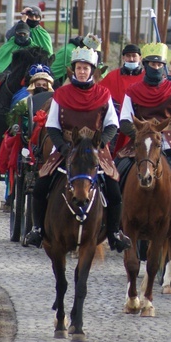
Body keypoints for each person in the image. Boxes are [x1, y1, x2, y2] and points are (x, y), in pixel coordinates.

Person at [24, 46, 131, 253]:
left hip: (96, 150)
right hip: (66, 148)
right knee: (41, 185)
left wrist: (100, 143)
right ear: (74, 70)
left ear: (92, 71)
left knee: (114, 189)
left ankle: (114, 233)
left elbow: (112, 124)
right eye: (79, 68)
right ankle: (37, 229)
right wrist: (63, 148)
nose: (82, 71)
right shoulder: (61, 94)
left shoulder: (103, 94)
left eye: (86, 68)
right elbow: (52, 125)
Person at [116, 42, 171, 241]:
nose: (155, 68)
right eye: (152, 64)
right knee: (116, 172)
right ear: (145, 65)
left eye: (159, 64)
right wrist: (140, 135)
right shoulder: (133, 90)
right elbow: (124, 120)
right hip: (139, 141)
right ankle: (115, 219)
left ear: (163, 66)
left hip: (168, 141)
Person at [99, 43, 144, 116]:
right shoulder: (112, 76)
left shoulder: (146, 77)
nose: (131, 59)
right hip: (117, 117)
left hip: (141, 117)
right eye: (128, 56)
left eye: (134, 56)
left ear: (140, 58)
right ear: (123, 58)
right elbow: (99, 92)